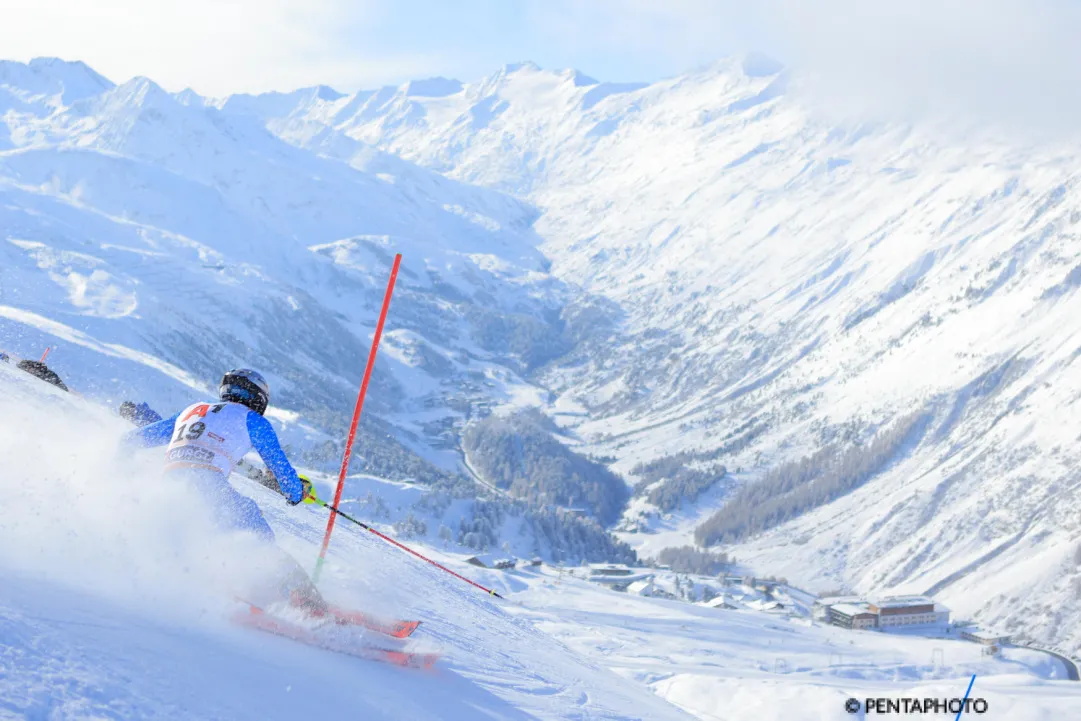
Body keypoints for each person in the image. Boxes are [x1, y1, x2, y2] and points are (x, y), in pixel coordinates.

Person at [123, 368, 326, 613]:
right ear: (258, 398)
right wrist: (296, 492)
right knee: (257, 534)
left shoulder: (192, 410)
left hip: (168, 483)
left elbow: (136, 438)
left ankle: (197, 577)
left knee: (194, 530)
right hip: (208, 483)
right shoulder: (253, 420)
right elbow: (281, 469)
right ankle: (301, 600)